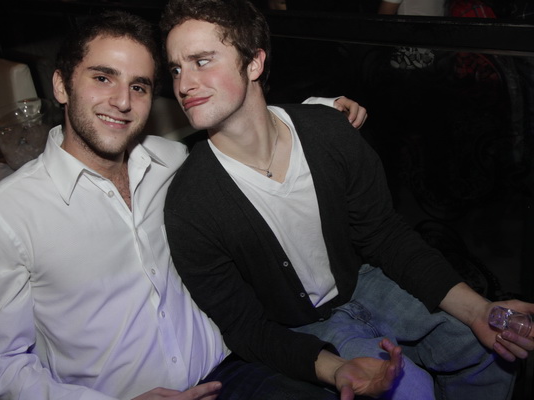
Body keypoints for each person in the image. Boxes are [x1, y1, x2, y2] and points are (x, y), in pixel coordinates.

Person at [0, 9, 396, 400]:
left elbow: (245, 126)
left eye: (139, 86)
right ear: (61, 84)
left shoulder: (171, 162)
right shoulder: (2, 216)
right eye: (102, 78)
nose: (122, 101)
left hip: (234, 372)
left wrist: (320, 113)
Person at [160, 0, 534, 399]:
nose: (184, 84)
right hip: (299, 325)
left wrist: (478, 310)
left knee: (486, 347)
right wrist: (335, 368)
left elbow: (386, 236)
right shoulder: (190, 204)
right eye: (176, 69)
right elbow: (246, 328)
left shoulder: (328, 132)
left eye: (202, 61)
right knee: (409, 390)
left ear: (254, 63)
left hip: (362, 282)